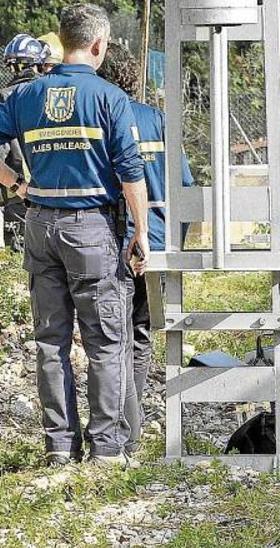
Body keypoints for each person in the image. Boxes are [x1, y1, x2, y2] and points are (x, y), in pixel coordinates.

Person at [0, 3, 149, 466]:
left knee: (51, 340)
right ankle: (106, 446)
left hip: (40, 223)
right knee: (105, 338)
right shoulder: (109, 97)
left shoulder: (23, 96)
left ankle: (59, 446)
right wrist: (141, 232)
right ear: (99, 44)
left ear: (62, 42)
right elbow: (131, 175)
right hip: (91, 227)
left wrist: (18, 185)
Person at [96, 42, 196, 455]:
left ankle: (123, 432)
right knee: (139, 337)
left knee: (111, 340)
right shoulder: (159, 121)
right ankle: (131, 434)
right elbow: (187, 189)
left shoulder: (101, 121)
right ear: (136, 80)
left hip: (116, 243)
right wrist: (175, 245)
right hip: (158, 242)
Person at [0, 34, 54, 248]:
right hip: (59, 196)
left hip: (19, 194)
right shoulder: (53, 93)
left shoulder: (6, 98)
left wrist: (17, 186)